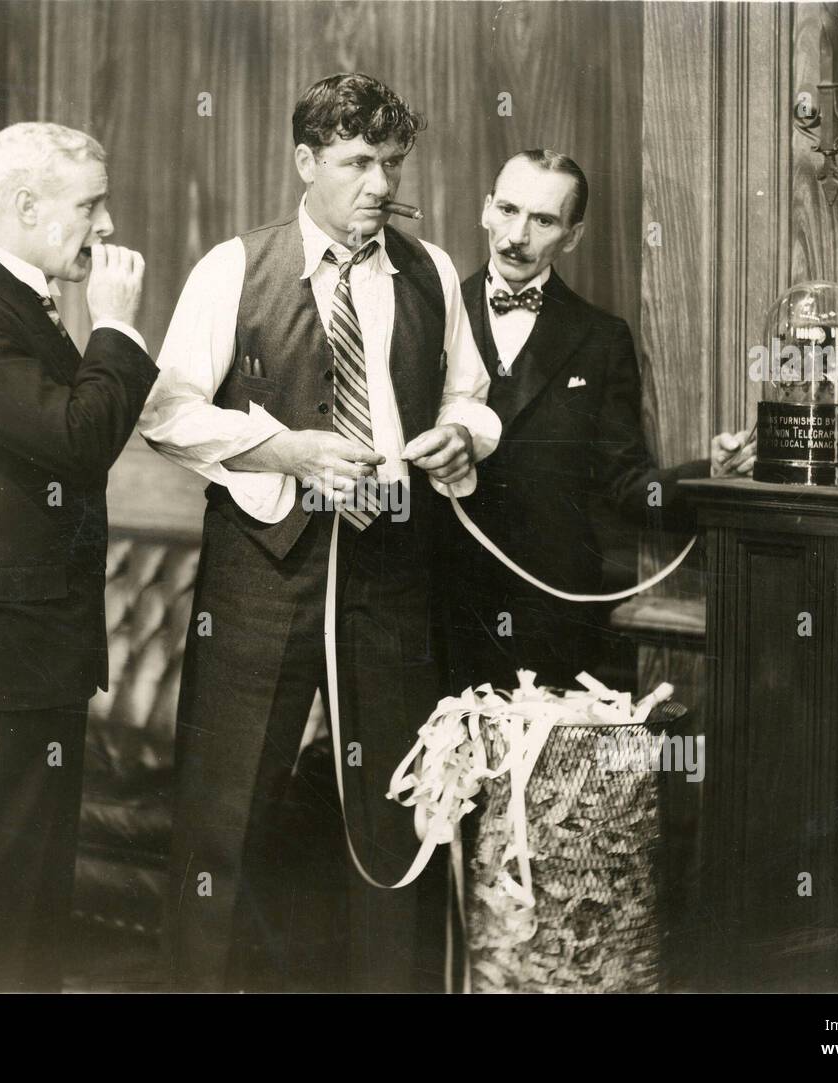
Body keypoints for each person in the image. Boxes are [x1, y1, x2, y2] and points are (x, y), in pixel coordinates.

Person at [140, 72, 501, 992]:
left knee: (397, 814)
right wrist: (284, 449)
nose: (378, 184)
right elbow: (166, 411)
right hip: (263, 577)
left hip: (393, 571)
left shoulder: (428, 273)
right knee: (224, 818)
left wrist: (463, 436)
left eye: (390, 162)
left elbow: (470, 392)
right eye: (354, 163)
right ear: (306, 164)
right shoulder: (233, 267)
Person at [0, 122, 157, 991]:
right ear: (25, 205)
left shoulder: (15, 298)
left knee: (29, 901)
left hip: (27, 647)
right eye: (89, 204)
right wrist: (115, 327)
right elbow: (78, 442)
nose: (106, 223)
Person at [443, 149, 755, 694]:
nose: (518, 235)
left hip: (552, 610)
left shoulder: (601, 338)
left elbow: (626, 484)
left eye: (543, 220)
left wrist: (713, 471)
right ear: (486, 209)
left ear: (573, 234)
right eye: (510, 210)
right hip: (440, 599)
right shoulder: (431, 312)